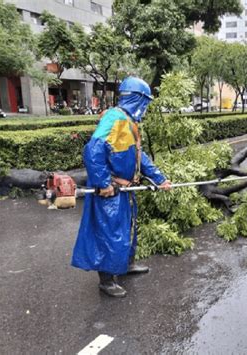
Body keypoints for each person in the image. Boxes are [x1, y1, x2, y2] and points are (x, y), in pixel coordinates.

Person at [71, 77, 171, 298]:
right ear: (137, 99)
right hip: (112, 191)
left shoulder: (128, 121)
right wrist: (104, 183)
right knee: (110, 233)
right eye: (145, 103)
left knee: (128, 229)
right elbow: (93, 151)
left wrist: (159, 178)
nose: (145, 109)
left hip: (126, 191)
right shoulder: (115, 119)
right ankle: (106, 281)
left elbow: (138, 156)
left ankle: (126, 265)